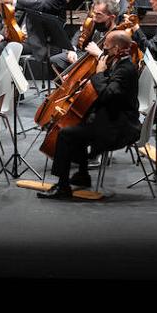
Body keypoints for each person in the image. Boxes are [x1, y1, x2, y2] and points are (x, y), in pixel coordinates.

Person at [38, 31, 142, 199]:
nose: (104, 49)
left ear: (116, 48)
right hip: (113, 120)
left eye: (106, 46)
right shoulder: (119, 63)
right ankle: (83, 174)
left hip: (118, 128)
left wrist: (99, 73)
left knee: (65, 134)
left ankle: (63, 186)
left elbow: (108, 94)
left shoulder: (126, 69)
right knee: (79, 124)